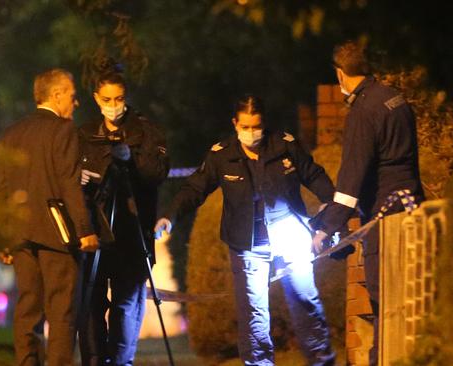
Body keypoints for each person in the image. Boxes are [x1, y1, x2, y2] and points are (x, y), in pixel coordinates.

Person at [155, 95, 335, 366]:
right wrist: (170, 216)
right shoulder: (222, 155)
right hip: (247, 243)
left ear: (264, 123)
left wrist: (333, 210)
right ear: (235, 124)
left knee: (305, 301)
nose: (252, 133)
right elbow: (195, 188)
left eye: (257, 126)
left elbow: (314, 175)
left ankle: (322, 360)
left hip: (290, 234)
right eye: (246, 127)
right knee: (253, 313)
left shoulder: (285, 146)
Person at [310, 40, 424, 365]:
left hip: (385, 218)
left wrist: (326, 229)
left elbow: (351, 180)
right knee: (410, 296)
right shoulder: (394, 97)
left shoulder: (363, 111)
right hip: (412, 207)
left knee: (383, 297)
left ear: (341, 74)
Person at [0, 68, 99, 366]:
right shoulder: (64, 131)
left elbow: (0, 188)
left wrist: (2, 236)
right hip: (57, 236)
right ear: (56, 95)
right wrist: (85, 229)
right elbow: (69, 182)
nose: (75, 103)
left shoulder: (11, 133)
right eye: (72, 95)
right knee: (61, 311)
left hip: (19, 235)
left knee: (27, 309)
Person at [77, 61, 169, 366]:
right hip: (96, 230)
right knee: (91, 303)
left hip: (133, 233)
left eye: (118, 99)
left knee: (126, 306)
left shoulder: (146, 131)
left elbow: (157, 174)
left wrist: (132, 160)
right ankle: (95, 359)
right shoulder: (85, 133)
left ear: (125, 96)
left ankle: (120, 362)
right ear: (96, 98)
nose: (113, 107)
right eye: (106, 100)